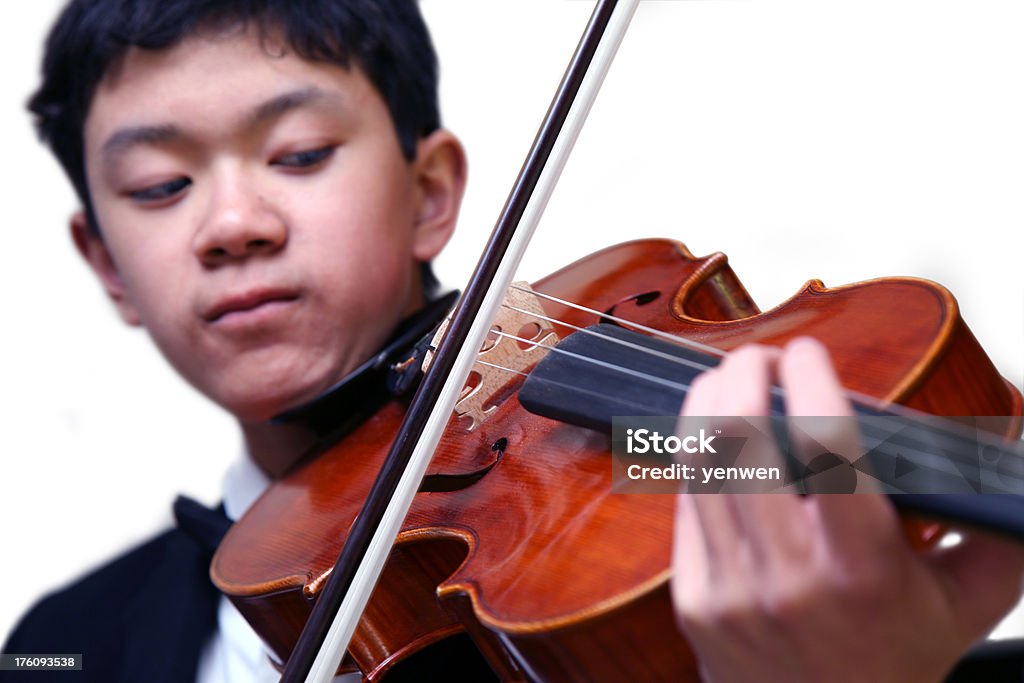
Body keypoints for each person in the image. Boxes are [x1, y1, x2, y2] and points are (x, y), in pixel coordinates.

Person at [2, 0, 1022, 681]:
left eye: (301, 153)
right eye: (159, 186)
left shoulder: (660, 450)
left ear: (431, 194)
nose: (235, 224)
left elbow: (750, 447)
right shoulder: (63, 649)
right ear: (105, 262)